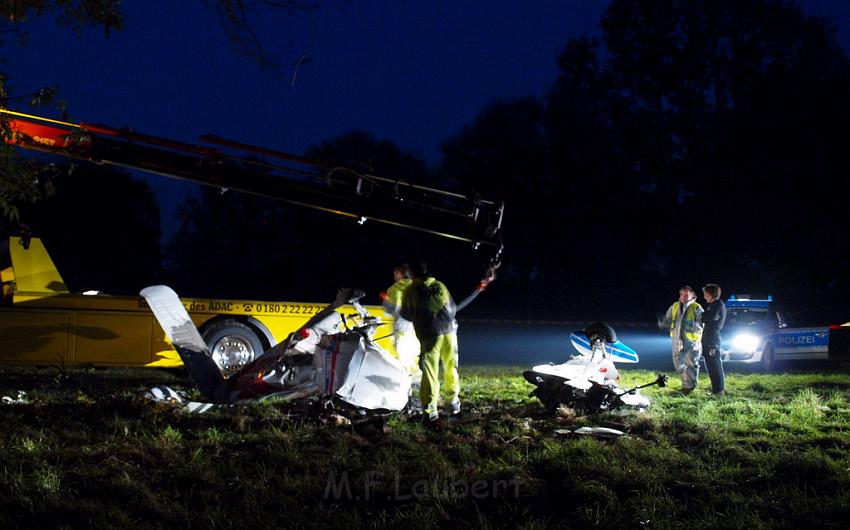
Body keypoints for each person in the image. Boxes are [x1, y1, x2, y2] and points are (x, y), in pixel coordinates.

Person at [401, 261, 460, 421]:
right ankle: (453, 402)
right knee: (450, 366)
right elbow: (452, 308)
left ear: (412, 274)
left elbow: (405, 314)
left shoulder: (411, 289)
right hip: (449, 331)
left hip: (429, 334)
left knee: (430, 372)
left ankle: (430, 411)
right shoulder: (440, 285)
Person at [380, 263, 421, 385]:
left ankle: (404, 386)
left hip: (402, 328)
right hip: (418, 328)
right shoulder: (417, 286)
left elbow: (391, 311)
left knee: (403, 359)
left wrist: (385, 300)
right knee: (415, 357)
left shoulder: (394, 289)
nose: (394, 277)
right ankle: (418, 385)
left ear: (399, 274)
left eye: (395, 274)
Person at [660, 286, 704, 394]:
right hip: (677, 341)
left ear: (693, 296)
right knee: (679, 364)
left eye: (686, 295)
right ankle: (686, 384)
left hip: (691, 342)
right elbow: (668, 319)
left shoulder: (696, 307)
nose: (683, 297)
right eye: (681, 294)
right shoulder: (674, 306)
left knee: (691, 363)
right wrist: (663, 323)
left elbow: (702, 325)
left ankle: (689, 387)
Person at [701, 283, 726, 395]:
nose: (704, 296)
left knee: (714, 365)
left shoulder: (717, 305)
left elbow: (708, 317)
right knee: (710, 365)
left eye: (706, 293)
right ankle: (716, 389)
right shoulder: (714, 305)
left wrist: (701, 316)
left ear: (712, 293)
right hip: (709, 339)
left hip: (712, 340)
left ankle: (719, 390)